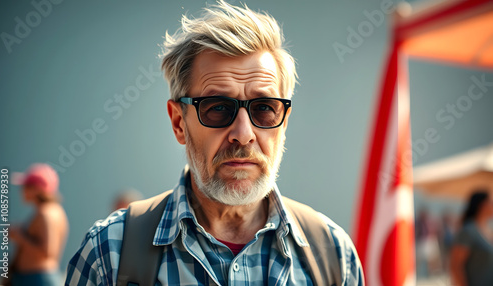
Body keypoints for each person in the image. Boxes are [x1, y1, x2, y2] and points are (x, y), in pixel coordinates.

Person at [65, 1, 364, 285]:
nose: (243, 134)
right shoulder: (108, 257)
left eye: (264, 108)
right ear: (179, 123)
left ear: (283, 122)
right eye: (218, 108)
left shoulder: (335, 257)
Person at [10, 163, 69, 286]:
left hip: (37, 279)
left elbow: (48, 252)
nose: (22, 190)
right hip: (38, 278)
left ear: (36, 189)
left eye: (26, 186)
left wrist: (19, 237)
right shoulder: (55, 211)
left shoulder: (45, 213)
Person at [450, 190, 493, 286]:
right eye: (490, 202)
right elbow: (456, 266)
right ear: (481, 205)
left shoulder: (487, 229)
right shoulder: (468, 231)